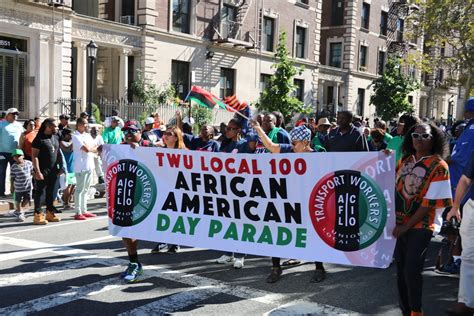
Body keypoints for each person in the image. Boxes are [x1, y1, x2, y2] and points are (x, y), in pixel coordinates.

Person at [251, 122, 326, 283]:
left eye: (294, 143)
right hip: (285, 200)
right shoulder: (287, 151)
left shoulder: (318, 156)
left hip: (308, 201)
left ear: (306, 143)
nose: (291, 146)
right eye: (291, 142)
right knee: (277, 232)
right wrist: (258, 129)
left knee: (313, 234)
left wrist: (382, 156)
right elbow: (270, 146)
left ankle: (319, 267)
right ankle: (276, 268)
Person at [394, 123, 452, 316]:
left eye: (424, 136)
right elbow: (389, 184)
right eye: (415, 136)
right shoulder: (405, 161)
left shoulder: (439, 165)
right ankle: (405, 310)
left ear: (433, 139)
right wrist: (382, 158)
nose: (419, 140)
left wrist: (406, 227)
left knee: (412, 270)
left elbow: (429, 204)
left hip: (421, 225)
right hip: (400, 223)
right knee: (401, 271)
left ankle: (416, 311)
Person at [120, 120, 152, 283]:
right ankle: (134, 262)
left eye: (132, 131)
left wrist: (141, 152)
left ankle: (135, 262)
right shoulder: (119, 147)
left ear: (140, 132)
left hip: (148, 195)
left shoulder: (149, 145)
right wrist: (102, 151)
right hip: (126, 193)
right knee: (126, 230)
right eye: (126, 132)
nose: (129, 135)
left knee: (135, 230)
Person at [446, 153, 474, 316]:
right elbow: (465, 180)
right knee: (468, 256)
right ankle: (466, 302)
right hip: (472, 206)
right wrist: (455, 207)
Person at [151, 124, 186, 254]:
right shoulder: (159, 151)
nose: (165, 136)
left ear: (176, 138)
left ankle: (175, 241)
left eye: (169, 134)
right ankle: (163, 241)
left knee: (176, 215)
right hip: (162, 187)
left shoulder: (184, 153)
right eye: (164, 133)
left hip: (178, 188)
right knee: (162, 215)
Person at [31, 118, 63, 225]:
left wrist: (61, 166)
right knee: (39, 192)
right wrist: (37, 171)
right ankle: (38, 214)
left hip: (53, 170)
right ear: (48, 126)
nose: (57, 128)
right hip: (42, 170)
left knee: (51, 192)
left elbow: (58, 152)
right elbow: (34, 156)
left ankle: (50, 212)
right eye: (54, 126)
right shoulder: (39, 139)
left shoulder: (56, 136)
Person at [71, 118, 97, 220]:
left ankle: (84, 210)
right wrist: (90, 148)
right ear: (78, 125)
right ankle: (78, 211)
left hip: (89, 165)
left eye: (86, 124)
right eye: (84, 124)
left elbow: (95, 147)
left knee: (86, 189)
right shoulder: (75, 136)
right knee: (79, 189)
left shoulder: (87, 135)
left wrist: (90, 148)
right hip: (81, 166)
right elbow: (86, 149)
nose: (86, 126)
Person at [0, 108, 23, 198]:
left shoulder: (19, 125)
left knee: (15, 173)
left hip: (15, 153)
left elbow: (22, 137)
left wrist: (21, 150)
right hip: (2, 152)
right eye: (13, 113)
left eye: (17, 114)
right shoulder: (1, 124)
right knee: (2, 173)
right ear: (8, 114)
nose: (15, 115)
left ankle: (14, 192)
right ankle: (1, 193)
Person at [9, 149, 33, 222]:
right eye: (15, 157)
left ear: (23, 156)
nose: (17, 158)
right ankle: (19, 213)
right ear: (13, 158)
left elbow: (33, 172)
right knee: (18, 200)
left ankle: (20, 209)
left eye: (19, 156)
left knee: (28, 199)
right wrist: (12, 186)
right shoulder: (13, 167)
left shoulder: (29, 163)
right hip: (18, 187)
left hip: (28, 186)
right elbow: (12, 177)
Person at [59, 128, 75, 210]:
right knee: (67, 186)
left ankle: (66, 200)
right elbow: (68, 150)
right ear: (65, 135)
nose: (71, 136)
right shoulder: (61, 143)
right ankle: (66, 203)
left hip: (72, 167)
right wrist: (74, 142)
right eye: (69, 134)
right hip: (65, 167)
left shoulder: (71, 142)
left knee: (72, 185)